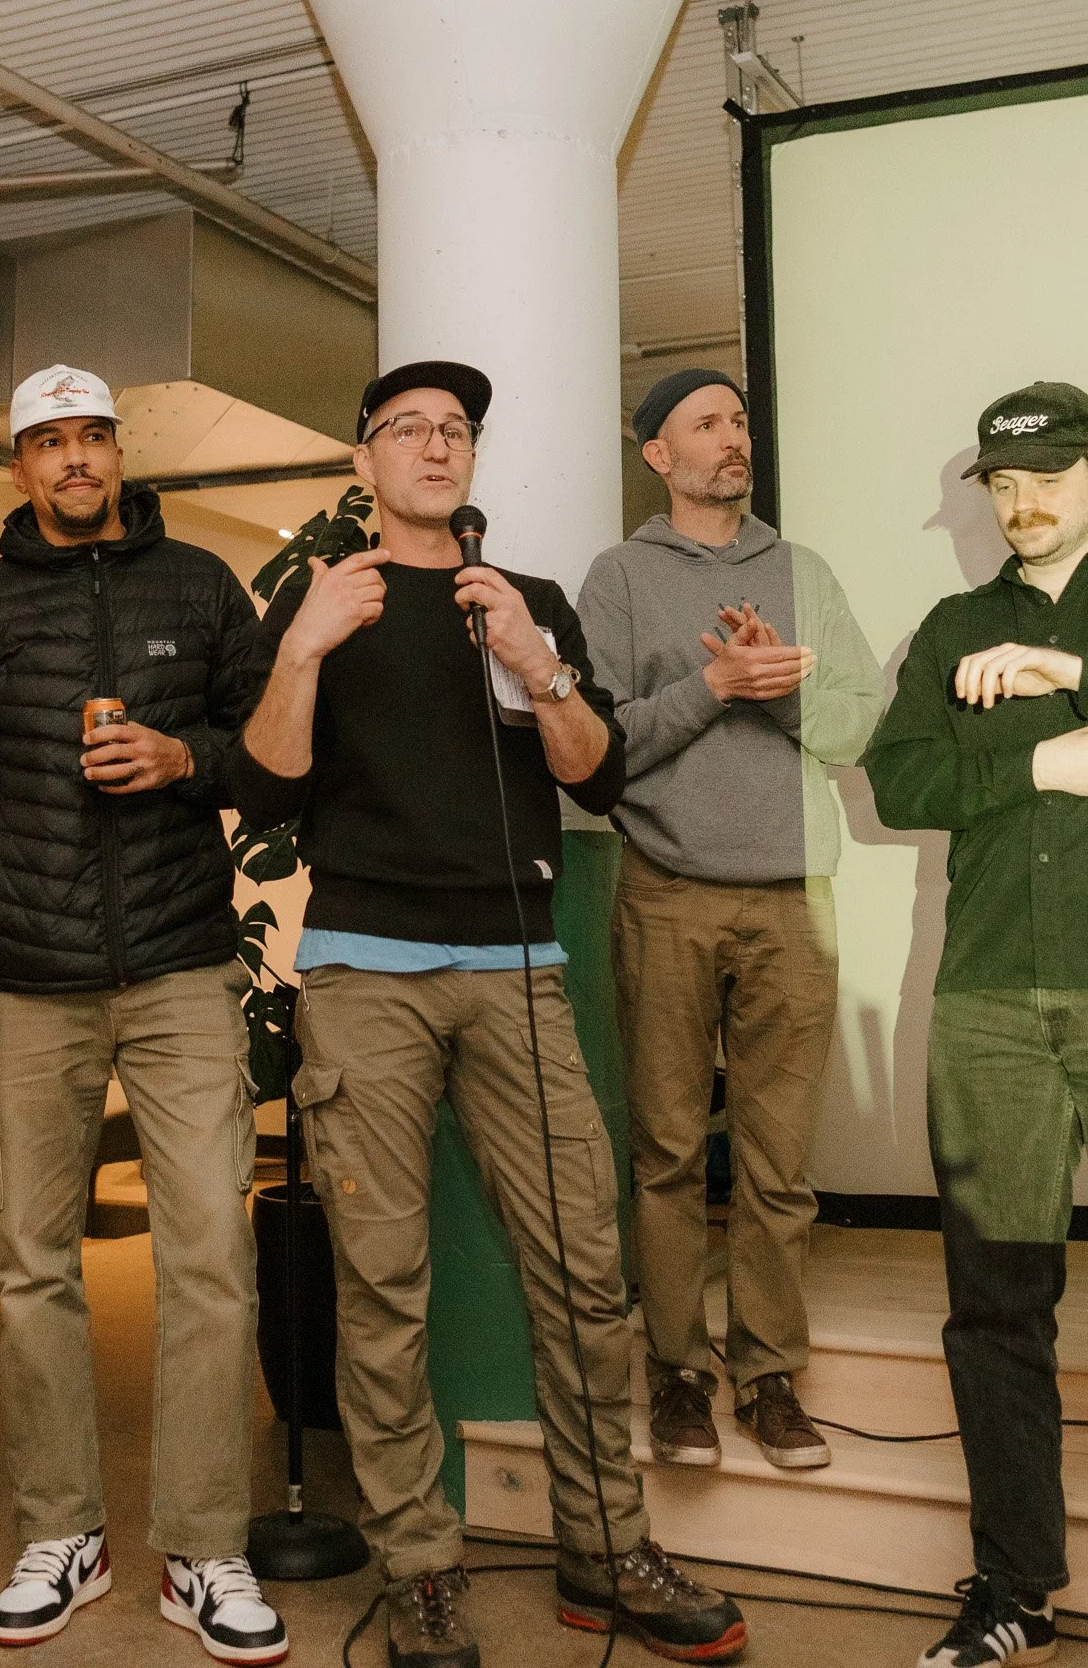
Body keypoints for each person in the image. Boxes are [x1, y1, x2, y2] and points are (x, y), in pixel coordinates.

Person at [229, 359, 748, 1668]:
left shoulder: (527, 602)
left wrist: (538, 663)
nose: (434, 445)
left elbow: (594, 769)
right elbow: (269, 785)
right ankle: (420, 1570)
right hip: (359, 972)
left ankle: (605, 1549)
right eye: (406, 429)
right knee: (381, 1288)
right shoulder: (321, 600)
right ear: (365, 465)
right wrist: (301, 645)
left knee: (582, 1268)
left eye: (454, 430)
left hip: (513, 966)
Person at [0, 364, 286, 1661]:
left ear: (118, 454)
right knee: (31, 1269)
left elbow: (281, 757)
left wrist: (189, 760)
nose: (74, 460)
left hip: (183, 963)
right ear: (18, 466)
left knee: (208, 1261)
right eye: (48, 442)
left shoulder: (197, 588)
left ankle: (202, 1547)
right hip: (20, 978)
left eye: (92, 438)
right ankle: (61, 1531)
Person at [578, 368, 884, 1475]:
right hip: (665, 889)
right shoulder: (618, 576)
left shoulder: (803, 570)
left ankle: (768, 1376)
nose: (732, 437)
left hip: (796, 894)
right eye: (706, 423)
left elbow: (859, 727)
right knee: (664, 1151)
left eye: (740, 419)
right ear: (657, 453)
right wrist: (717, 684)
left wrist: (783, 687)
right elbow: (594, 751)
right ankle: (675, 1370)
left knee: (778, 1161)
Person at [865, 380, 1088, 1668]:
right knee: (999, 1302)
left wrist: (1067, 670)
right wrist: (1039, 762)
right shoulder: (954, 624)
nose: (1025, 502)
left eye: (1051, 474)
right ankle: (1016, 1582)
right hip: (994, 1000)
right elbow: (901, 776)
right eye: (1004, 483)